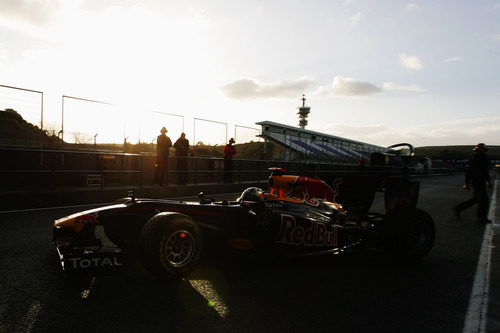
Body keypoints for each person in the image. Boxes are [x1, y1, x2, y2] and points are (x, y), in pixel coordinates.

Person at [452, 143, 492, 223]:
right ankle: (481, 218)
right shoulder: (475, 159)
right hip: (477, 181)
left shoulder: (484, 158)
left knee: (477, 199)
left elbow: (485, 172)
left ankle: (458, 208)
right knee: (483, 200)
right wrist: (466, 183)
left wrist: (488, 180)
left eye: (483, 149)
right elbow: (469, 172)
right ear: (478, 150)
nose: (482, 151)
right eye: (481, 149)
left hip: (480, 180)